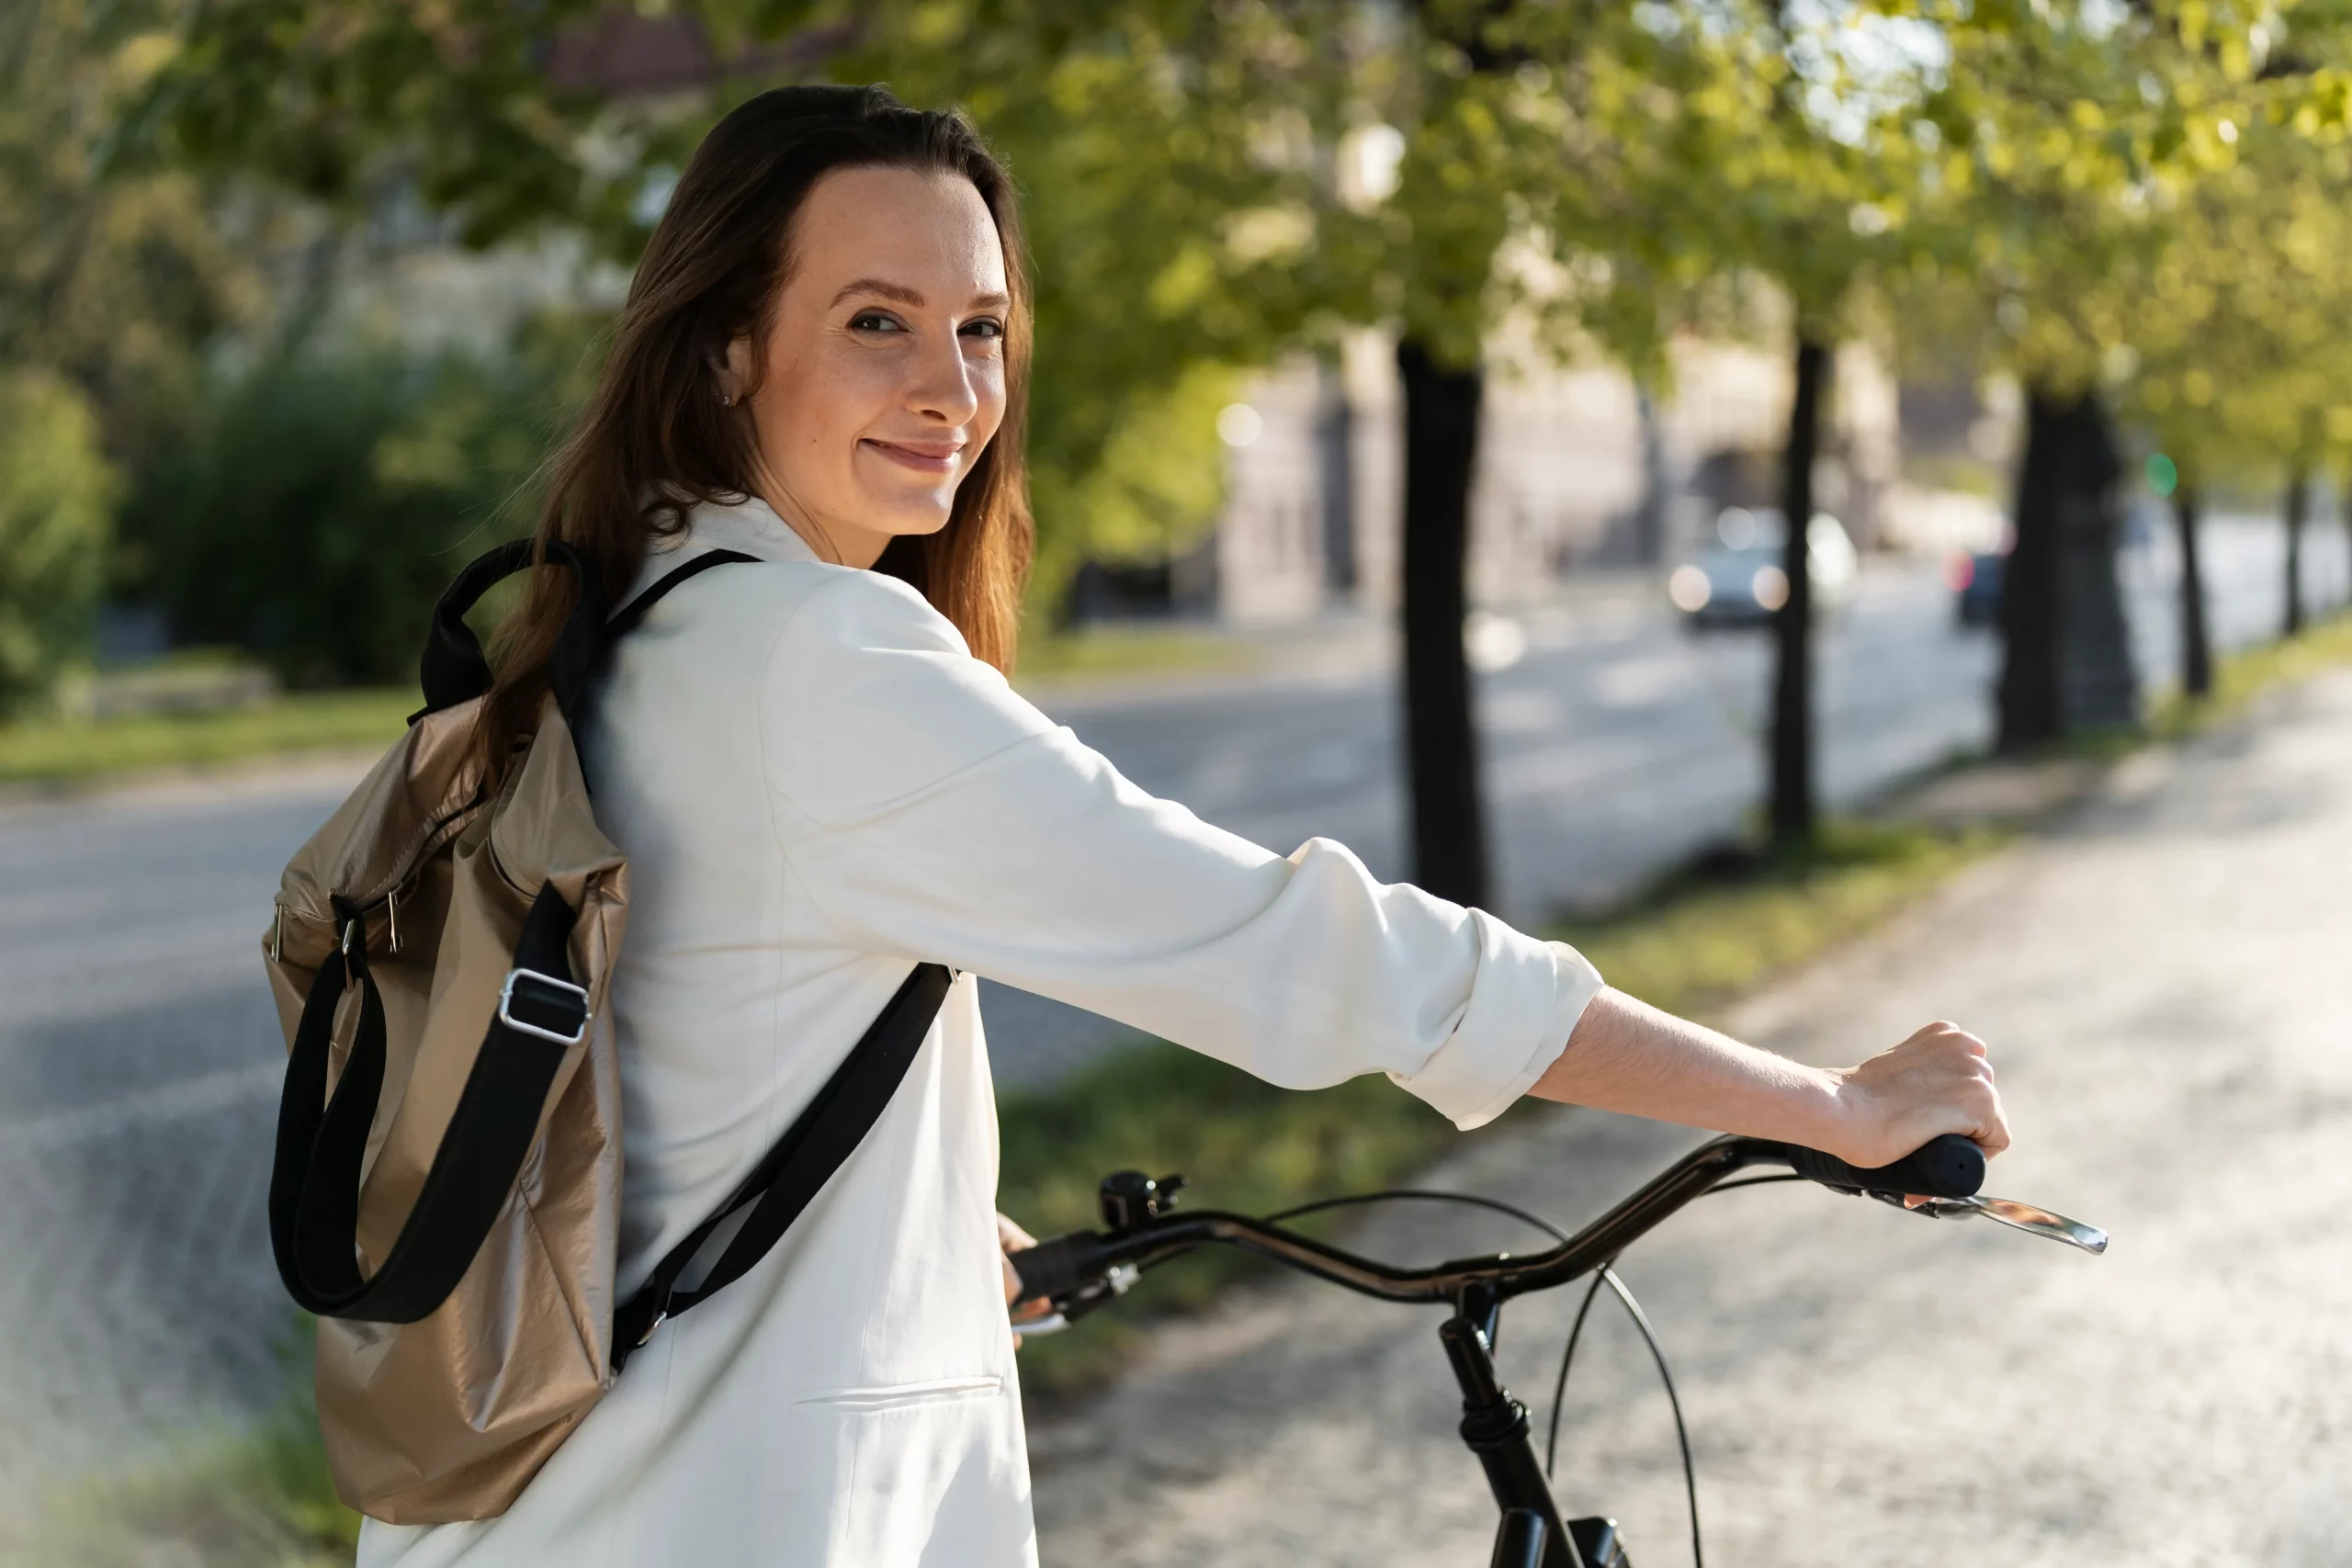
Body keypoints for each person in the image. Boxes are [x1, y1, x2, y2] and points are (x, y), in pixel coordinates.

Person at [359, 84, 2007, 1567]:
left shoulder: (631, 617)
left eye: (981, 328)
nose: (952, 389)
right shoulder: (819, 660)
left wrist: (907, 1228)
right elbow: (1302, 953)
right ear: (728, 348)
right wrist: (1827, 1101)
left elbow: (676, 1046)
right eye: (876, 321)